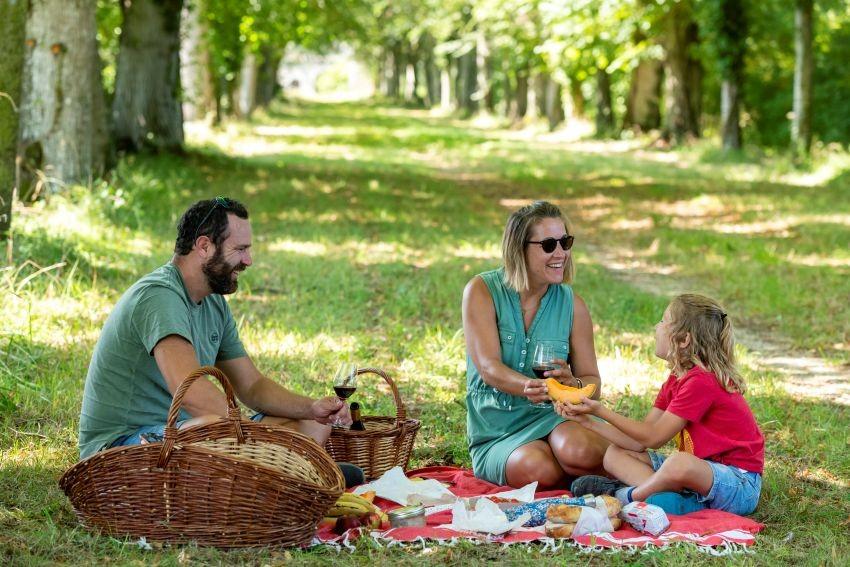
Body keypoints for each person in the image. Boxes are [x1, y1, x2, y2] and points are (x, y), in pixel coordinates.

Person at [78, 197, 363, 486]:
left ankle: (278, 480)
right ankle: (287, 479)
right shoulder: (159, 296)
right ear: (204, 246)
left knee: (312, 425)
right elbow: (190, 391)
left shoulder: (213, 303)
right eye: (240, 249)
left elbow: (252, 385)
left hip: (189, 433)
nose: (248, 260)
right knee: (215, 427)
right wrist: (255, 439)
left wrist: (311, 408)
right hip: (123, 447)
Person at [562, 294, 764, 516]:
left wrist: (601, 410)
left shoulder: (702, 381)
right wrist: (589, 422)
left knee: (679, 463)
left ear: (683, 340)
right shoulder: (677, 379)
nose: (655, 327)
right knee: (615, 454)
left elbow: (654, 438)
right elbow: (638, 442)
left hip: (738, 484)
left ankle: (625, 497)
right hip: (700, 476)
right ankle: (670, 500)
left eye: (662, 321)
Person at [462, 200, 609, 489]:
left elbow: (593, 381)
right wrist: (528, 386)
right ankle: (590, 479)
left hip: (554, 416)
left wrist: (574, 385)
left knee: (580, 451)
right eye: (549, 245)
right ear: (519, 249)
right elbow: (489, 367)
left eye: (565, 242)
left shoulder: (573, 305)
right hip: (498, 431)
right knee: (538, 469)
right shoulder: (481, 291)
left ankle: (588, 475)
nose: (561, 253)